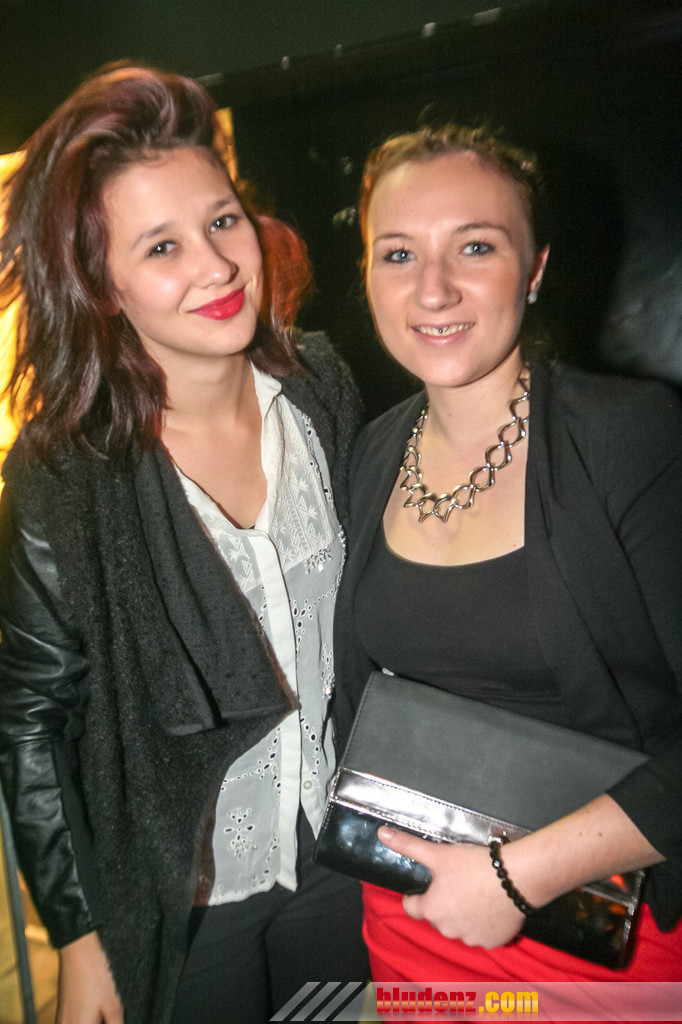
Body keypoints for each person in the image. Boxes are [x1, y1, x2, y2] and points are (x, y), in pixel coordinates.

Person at [0, 64, 368, 1024]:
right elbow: (30, 720)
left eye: (222, 221)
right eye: (162, 245)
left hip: (340, 861)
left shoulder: (322, 391)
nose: (217, 265)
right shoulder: (65, 473)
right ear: (102, 284)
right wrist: (82, 935)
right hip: (187, 895)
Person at [332, 124, 682, 989]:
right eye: (398, 253)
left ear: (534, 269)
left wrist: (515, 877)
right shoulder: (372, 452)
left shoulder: (625, 436)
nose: (433, 288)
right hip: (410, 917)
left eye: (476, 246)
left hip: (597, 921)